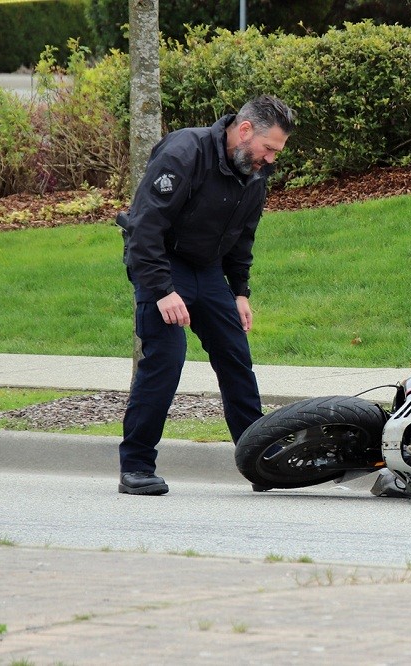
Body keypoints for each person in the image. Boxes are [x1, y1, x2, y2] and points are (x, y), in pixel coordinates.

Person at [117, 95, 294, 495]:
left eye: (276, 153)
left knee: (235, 358)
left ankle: (260, 462)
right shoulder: (184, 151)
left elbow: (242, 237)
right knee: (165, 360)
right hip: (162, 264)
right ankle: (137, 467)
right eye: (269, 149)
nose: (270, 160)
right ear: (245, 130)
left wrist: (240, 292)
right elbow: (145, 227)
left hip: (209, 271)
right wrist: (162, 290)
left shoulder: (253, 172)